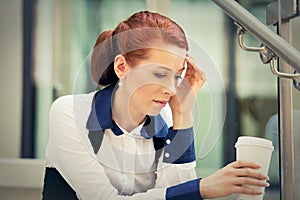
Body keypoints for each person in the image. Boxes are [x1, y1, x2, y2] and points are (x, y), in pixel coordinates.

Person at [43, 11, 269, 200]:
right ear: (122, 67)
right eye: (160, 74)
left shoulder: (168, 120)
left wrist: (183, 116)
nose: (171, 90)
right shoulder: (69, 113)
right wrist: (202, 188)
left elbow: (177, 194)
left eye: (177, 76)